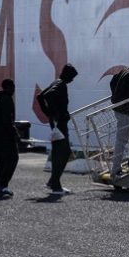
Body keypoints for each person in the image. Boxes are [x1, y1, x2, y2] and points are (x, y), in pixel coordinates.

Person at [39, 64, 78, 195]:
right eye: (72, 77)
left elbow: (40, 96)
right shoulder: (61, 84)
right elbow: (48, 95)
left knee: (58, 152)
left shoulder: (56, 82)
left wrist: (49, 113)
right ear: (67, 75)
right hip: (59, 124)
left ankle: (54, 182)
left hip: (56, 122)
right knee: (64, 152)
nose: (72, 80)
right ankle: (55, 184)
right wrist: (55, 113)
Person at [0, 78, 19, 197]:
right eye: (11, 87)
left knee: (0, 160)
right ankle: (2, 184)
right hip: (4, 134)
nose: (13, 90)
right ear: (6, 88)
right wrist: (15, 133)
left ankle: (2, 186)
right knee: (13, 158)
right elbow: (8, 120)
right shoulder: (7, 100)